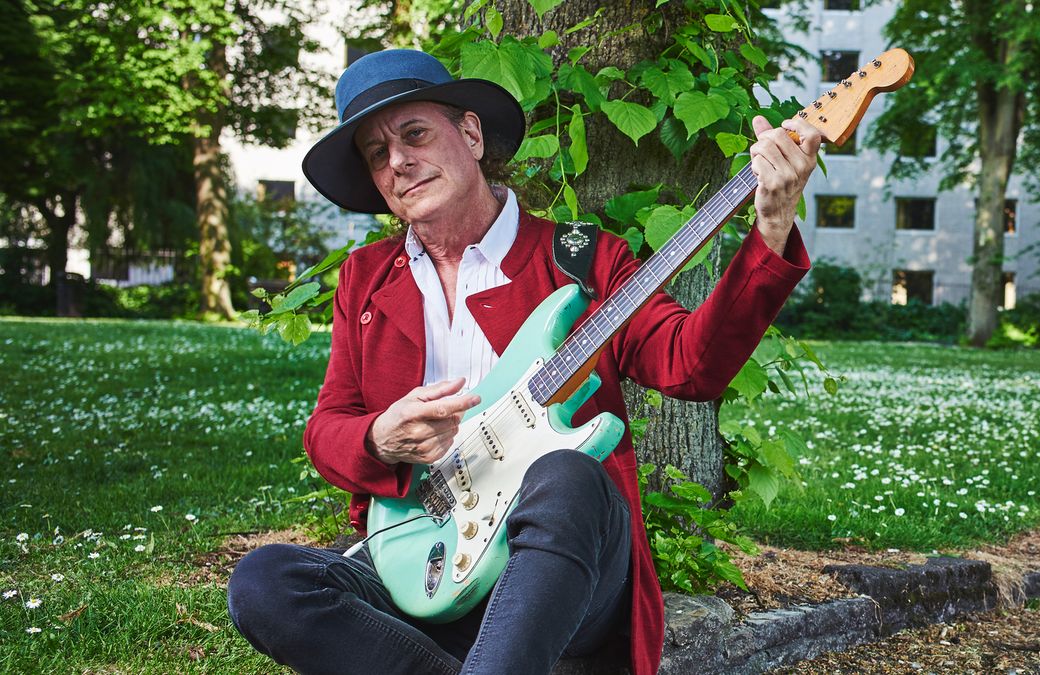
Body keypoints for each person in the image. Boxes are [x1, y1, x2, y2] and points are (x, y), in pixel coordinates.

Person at [226, 48, 820, 675]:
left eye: (414, 134)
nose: (398, 161)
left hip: (561, 579)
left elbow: (690, 366)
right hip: (423, 565)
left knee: (568, 476)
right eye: (378, 153)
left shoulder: (580, 258)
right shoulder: (367, 279)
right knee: (266, 582)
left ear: (471, 134)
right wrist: (378, 436)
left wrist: (772, 229)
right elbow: (327, 430)